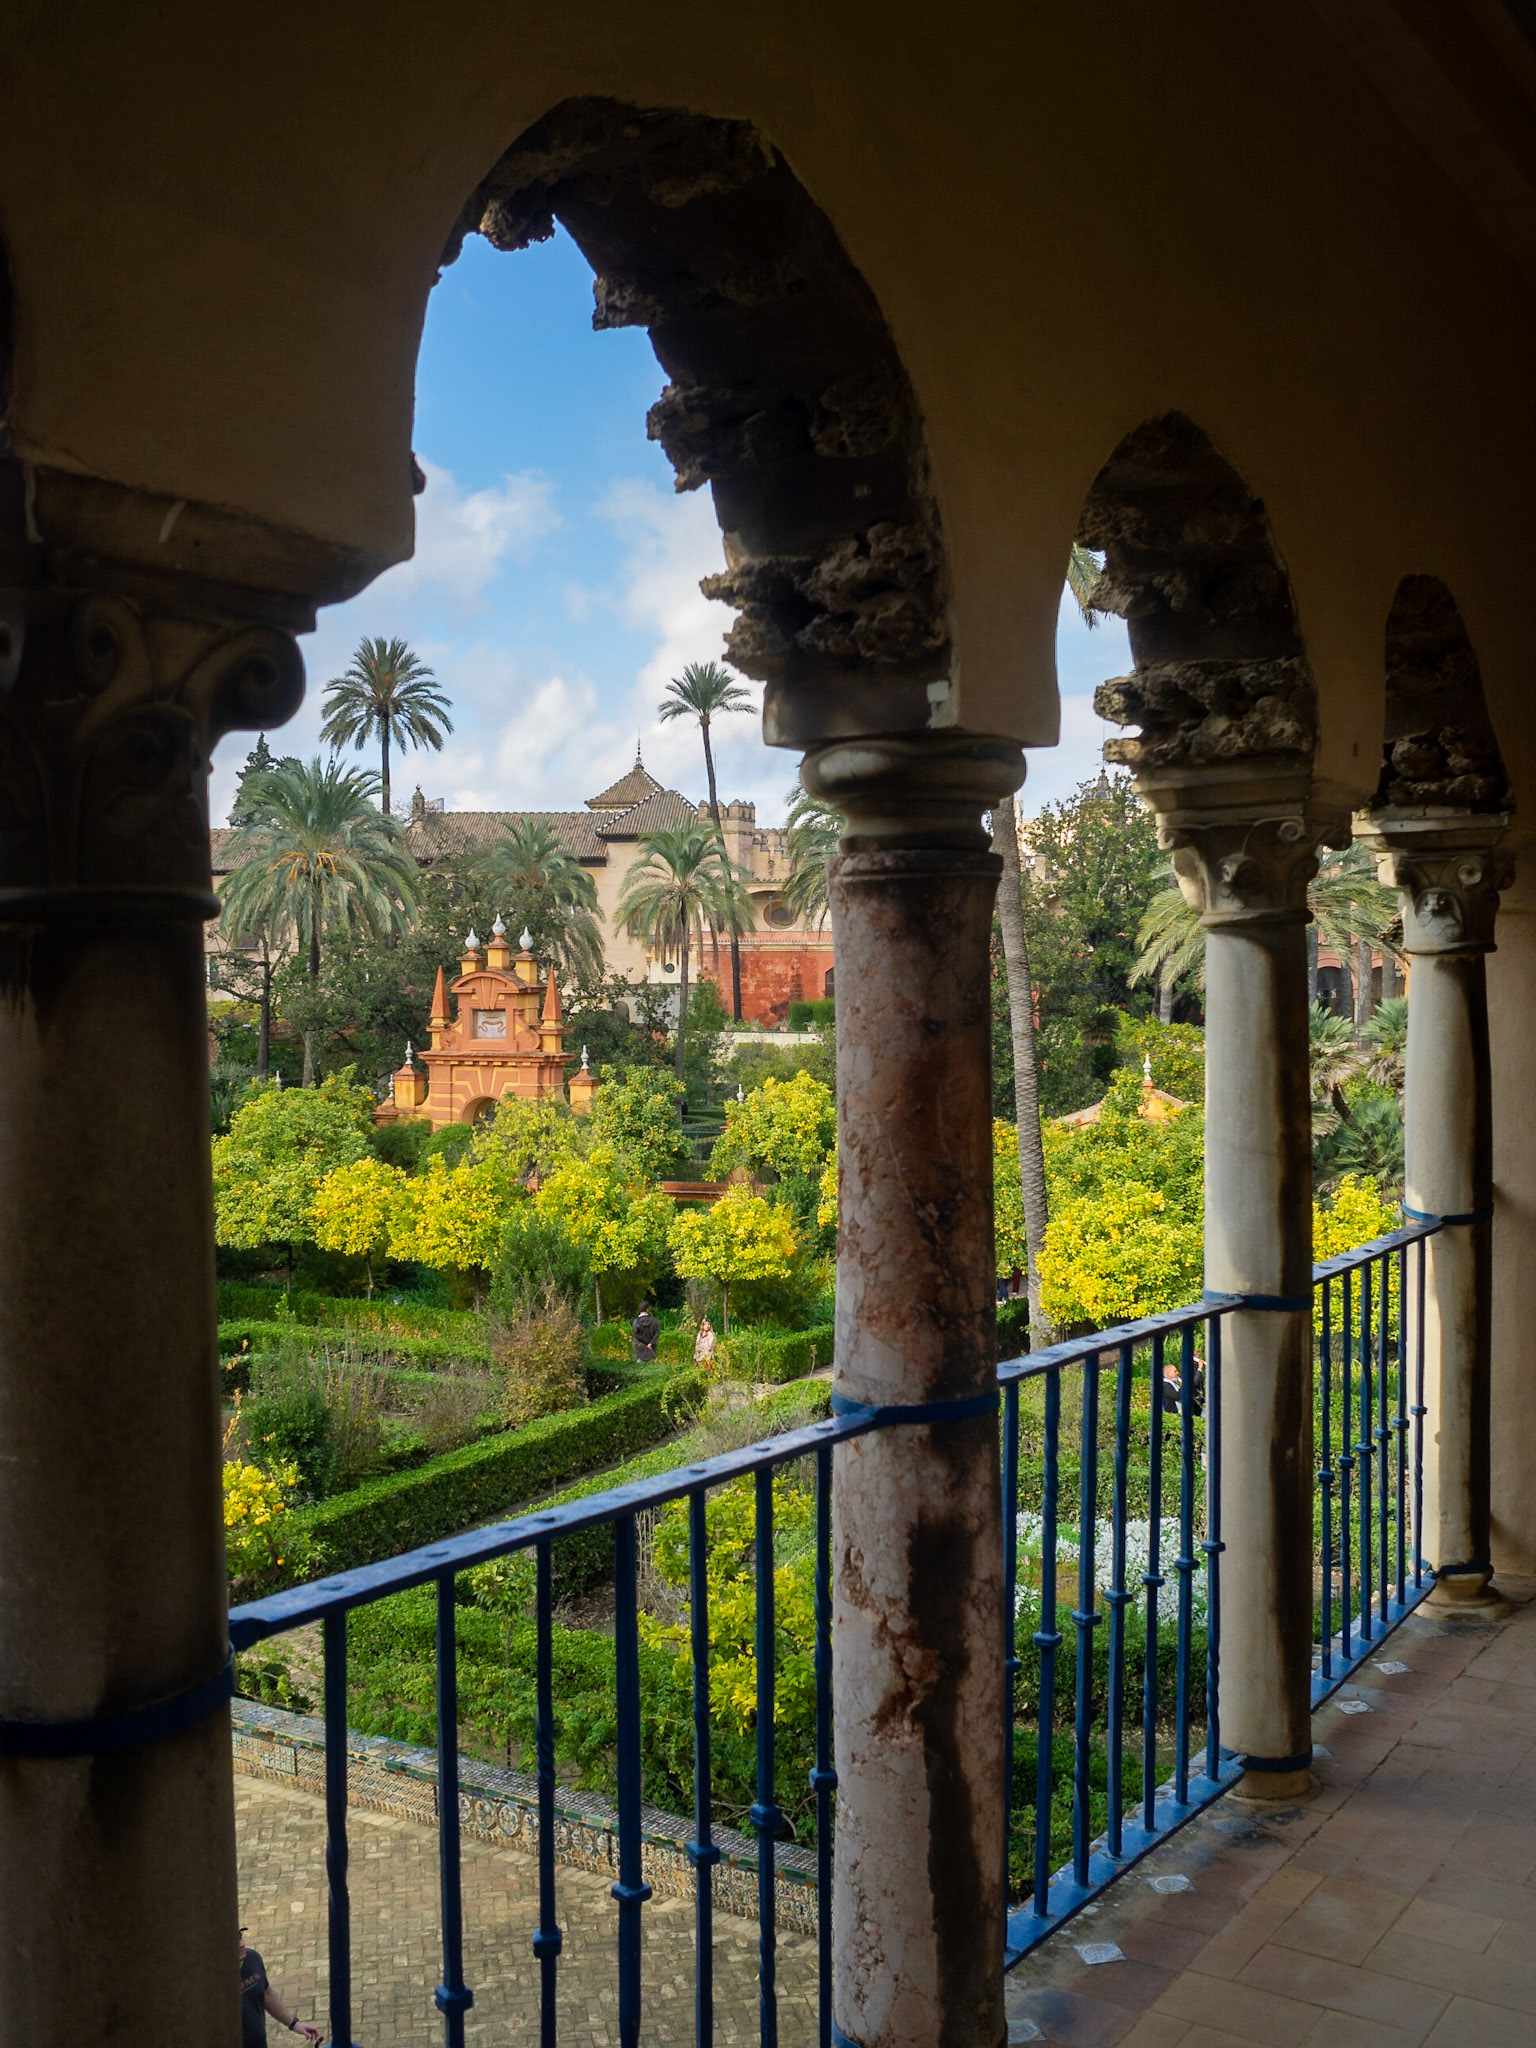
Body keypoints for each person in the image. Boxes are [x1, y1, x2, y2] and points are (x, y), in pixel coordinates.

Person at [240, 1929, 321, 2044]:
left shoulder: (252, 1959)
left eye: (239, 1937)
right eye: (233, 1940)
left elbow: (267, 1994)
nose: (241, 1944)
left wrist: (294, 2023)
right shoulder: (211, 1981)